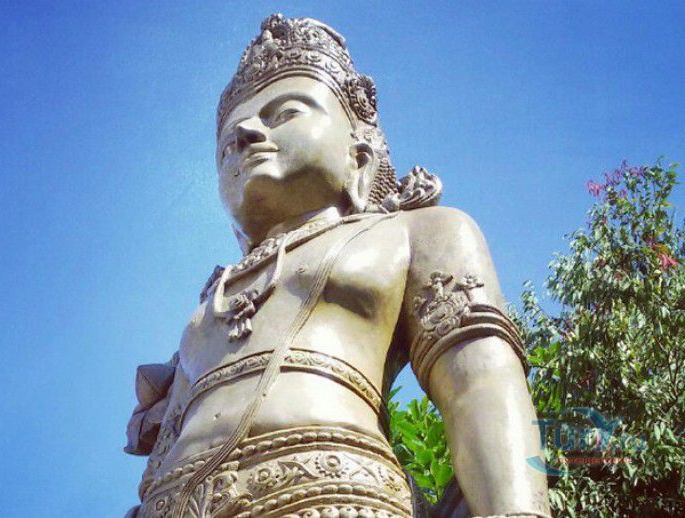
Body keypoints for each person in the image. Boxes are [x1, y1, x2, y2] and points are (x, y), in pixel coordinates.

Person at [125, 14, 550, 518]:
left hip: (335, 495)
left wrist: (514, 511)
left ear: (359, 157)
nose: (245, 133)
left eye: (284, 113)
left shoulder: (418, 233)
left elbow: (479, 384)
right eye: (226, 145)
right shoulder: (210, 303)